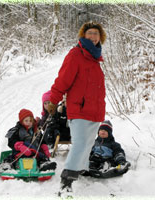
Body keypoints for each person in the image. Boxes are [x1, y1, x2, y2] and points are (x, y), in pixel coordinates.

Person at [47, 21, 107, 196]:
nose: (93, 36)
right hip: (79, 108)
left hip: (95, 111)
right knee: (80, 143)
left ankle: (81, 169)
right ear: (83, 35)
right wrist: (53, 100)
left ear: (100, 37)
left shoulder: (96, 59)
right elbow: (63, 79)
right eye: (89, 33)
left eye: (96, 33)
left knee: (88, 143)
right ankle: (66, 181)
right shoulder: (76, 54)